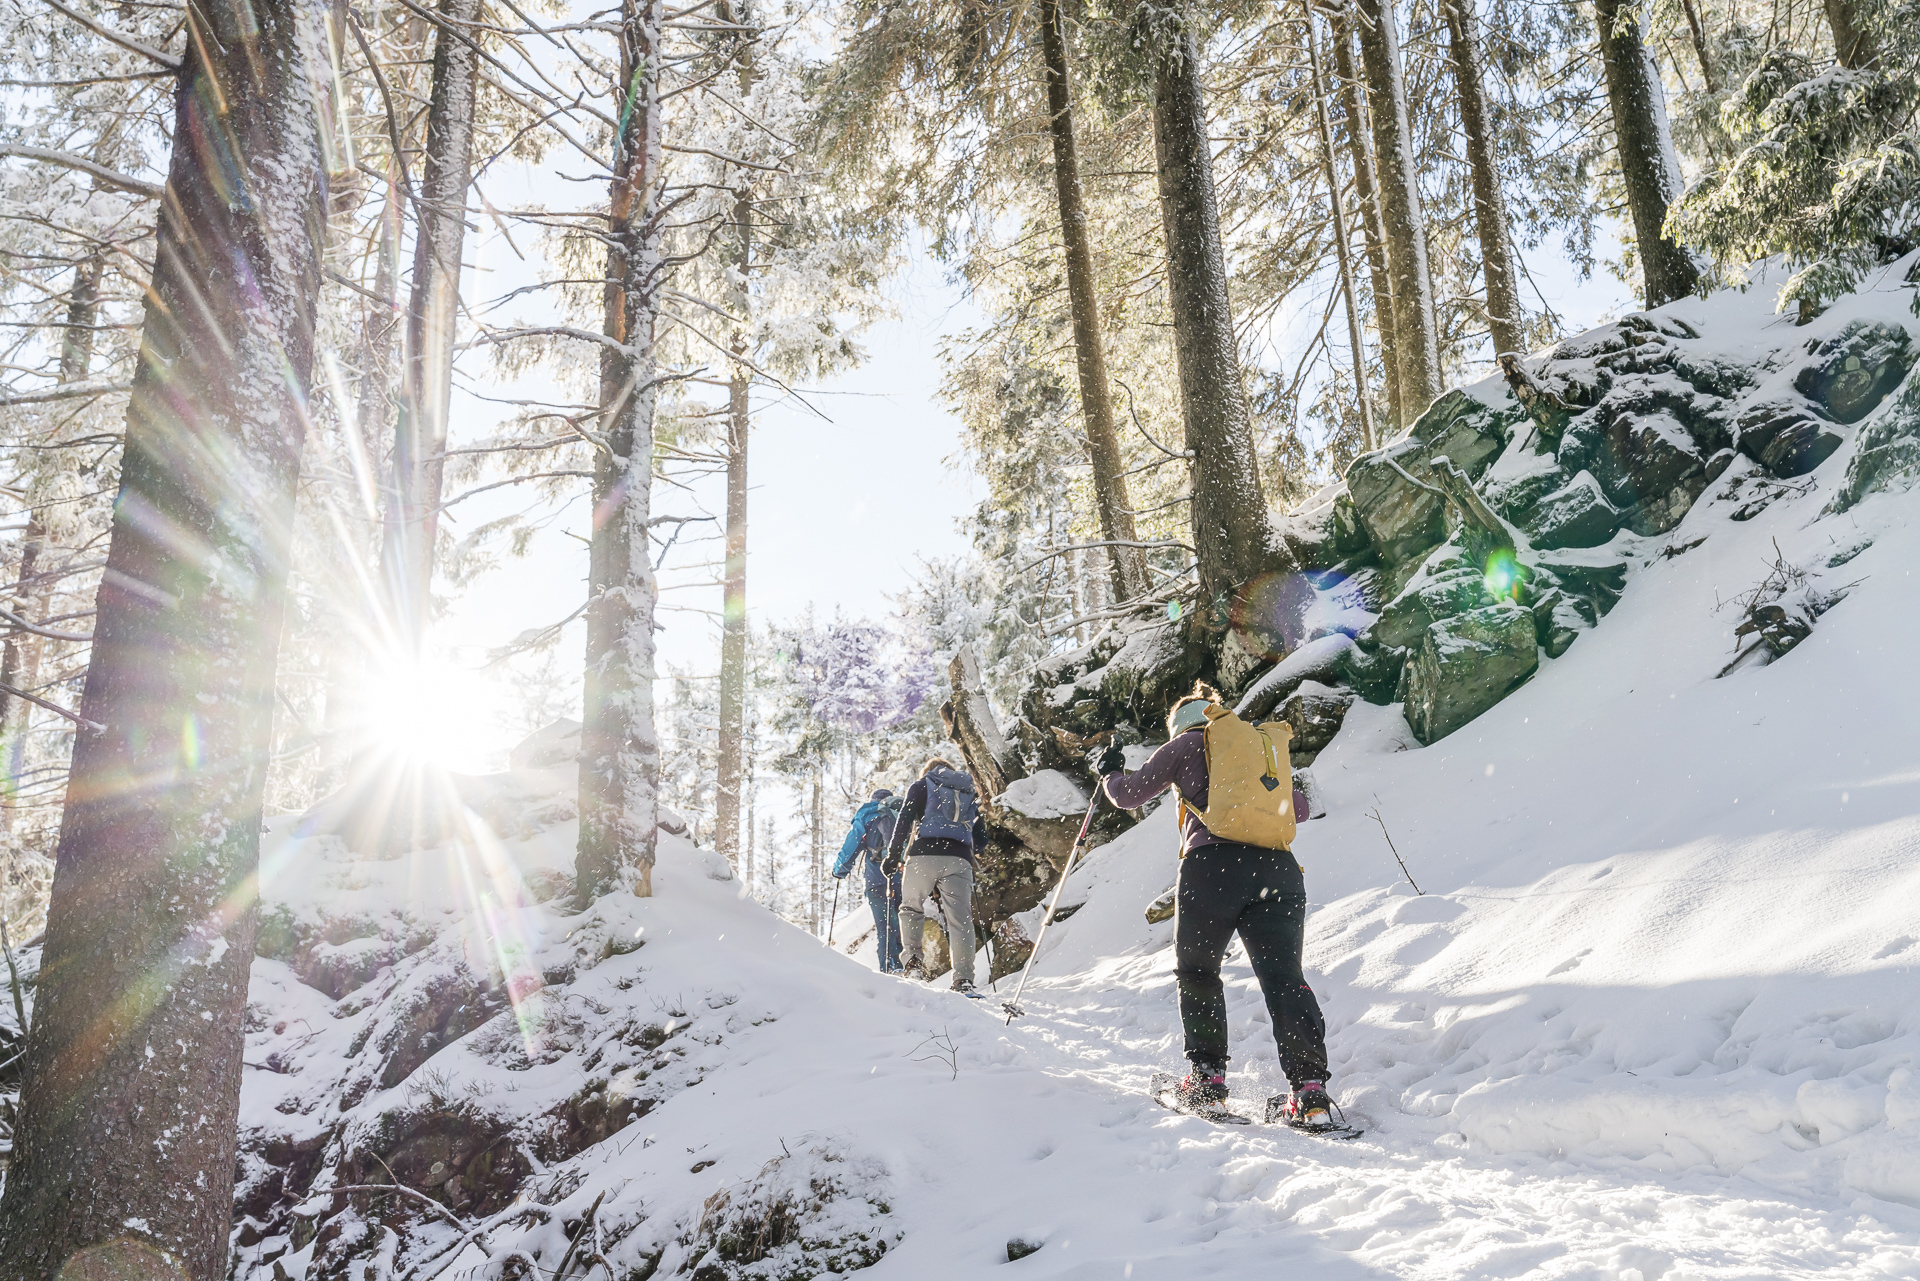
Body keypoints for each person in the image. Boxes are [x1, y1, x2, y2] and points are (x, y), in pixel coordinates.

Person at [1096, 682, 1335, 1129]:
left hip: (1214, 869)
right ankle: (1310, 1094)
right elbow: (1297, 810)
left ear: (1179, 725)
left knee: (1200, 972)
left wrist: (1108, 772)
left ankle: (1208, 1084)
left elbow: (1128, 794)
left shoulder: (1186, 744)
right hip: (1279, 872)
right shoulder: (1254, 748)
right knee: (1284, 979)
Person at [884, 757, 989, 994]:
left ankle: (913, 966)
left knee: (911, 908)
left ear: (927, 773)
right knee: (960, 920)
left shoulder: (921, 786)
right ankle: (963, 980)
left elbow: (904, 820)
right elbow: (981, 839)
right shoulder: (965, 789)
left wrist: (893, 856)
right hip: (959, 860)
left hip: (923, 855)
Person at [831, 789, 905, 973]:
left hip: (878, 879)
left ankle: (890, 969)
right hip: (903, 877)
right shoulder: (901, 813)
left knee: (885, 925)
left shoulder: (868, 813)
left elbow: (852, 844)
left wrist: (839, 871)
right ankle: (906, 968)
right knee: (903, 924)